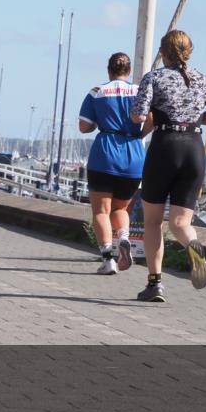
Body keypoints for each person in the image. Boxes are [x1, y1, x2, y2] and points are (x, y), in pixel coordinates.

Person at [130, 30, 206, 302]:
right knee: (180, 223)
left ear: (163, 52)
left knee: (152, 222)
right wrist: (195, 119)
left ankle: (155, 284)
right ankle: (193, 247)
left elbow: (138, 114)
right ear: (188, 52)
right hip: (194, 149)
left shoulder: (154, 77)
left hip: (165, 147)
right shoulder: (203, 79)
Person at [78, 52, 152, 275]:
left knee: (101, 211)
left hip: (105, 153)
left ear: (108, 70)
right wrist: (140, 135)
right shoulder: (140, 91)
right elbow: (151, 119)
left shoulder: (97, 91)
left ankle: (108, 259)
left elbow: (84, 126)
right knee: (121, 207)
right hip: (133, 155)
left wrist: (100, 122)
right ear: (129, 71)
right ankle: (124, 238)